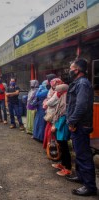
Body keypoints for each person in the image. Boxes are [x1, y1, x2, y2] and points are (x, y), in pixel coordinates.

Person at [65, 58, 97, 196]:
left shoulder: (83, 84)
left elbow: (81, 106)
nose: (70, 71)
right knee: (79, 153)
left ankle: (89, 186)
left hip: (80, 125)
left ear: (77, 70)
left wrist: (71, 121)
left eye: (71, 68)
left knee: (83, 155)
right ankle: (81, 176)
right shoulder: (77, 83)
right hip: (77, 124)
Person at [46, 79, 71, 176]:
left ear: (64, 92)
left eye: (59, 92)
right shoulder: (61, 99)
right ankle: (62, 164)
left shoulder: (66, 102)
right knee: (61, 145)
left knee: (64, 147)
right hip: (59, 126)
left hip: (62, 127)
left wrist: (56, 126)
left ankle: (68, 168)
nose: (57, 93)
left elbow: (64, 116)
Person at [42, 73, 57, 149]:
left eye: (48, 80)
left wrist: (46, 102)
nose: (47, 82)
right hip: (49, 110)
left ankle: (53, 149)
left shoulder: (57, 89)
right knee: (48, 130)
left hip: (54, 112)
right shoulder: (50, 88)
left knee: (52, 131)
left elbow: (52, 100)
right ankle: (49, 147)